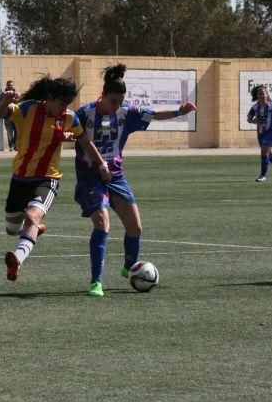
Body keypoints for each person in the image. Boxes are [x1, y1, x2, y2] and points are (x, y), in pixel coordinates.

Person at [75, 64, 196, 297]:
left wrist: (178, 112)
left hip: (116, 175)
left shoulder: (125, 112)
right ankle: (95, 282)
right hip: (91, 178)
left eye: (120, 101)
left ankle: (128, 268)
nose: (116, 106)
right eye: (113, 101)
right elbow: (75, 137)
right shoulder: (84, 114)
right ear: (103, 95)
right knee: (102, 224)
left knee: (135, 227)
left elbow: (151, 114)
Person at [0, 75, 111, 282]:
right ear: (50, 98)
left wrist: (102, 165)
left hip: (47, 179)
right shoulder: (28, 109)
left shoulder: (69, 118)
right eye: (61, 104)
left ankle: (17, 260)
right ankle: (35, 231)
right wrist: (5, 101)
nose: (64, 108)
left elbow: (85, 142)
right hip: (20, 178)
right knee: (12, 229)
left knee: (32, 216)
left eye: (67, 104)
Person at [247, 85, 272, 182]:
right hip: (261, 133)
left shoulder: (271, 107)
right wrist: (254, 121)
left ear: (266, 95)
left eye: (263, 93)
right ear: (257, 95)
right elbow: (249, 119)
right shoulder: (254, 107)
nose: (261, 95)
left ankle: (263, 176)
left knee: (263, 152)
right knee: (269, 155)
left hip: (271, 131)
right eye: (259, 94)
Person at [2, 80, 18, 151]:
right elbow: (0, 103)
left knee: (17, 132)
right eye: (9, 85)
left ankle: (15, 145)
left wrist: (15, 100)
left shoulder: (16, 94)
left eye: (11, 85)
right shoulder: (3, 94)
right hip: (7, 117)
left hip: (16, 117)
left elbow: (19, 102)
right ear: (6, 86)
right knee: (9, 133)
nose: (10, 86)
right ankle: (10, 145)